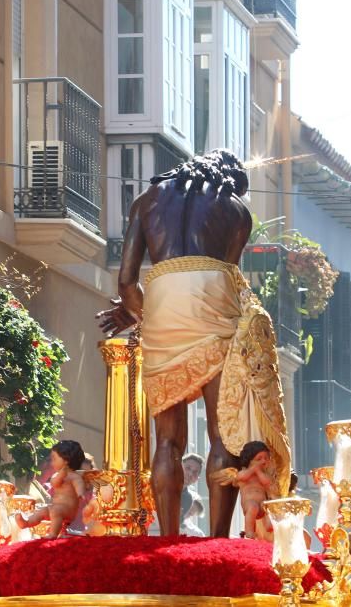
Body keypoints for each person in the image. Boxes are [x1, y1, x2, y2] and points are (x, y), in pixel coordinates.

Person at [96, 149, 292, 538]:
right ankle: (217, 539)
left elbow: (126, 283)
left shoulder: (146, 201)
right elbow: (232, 280)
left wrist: (143, 314)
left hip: (164, 304)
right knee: (222, 435)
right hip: (213, 301)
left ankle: (168, 538)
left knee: (168, 438)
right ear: (232, 181)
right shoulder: (237, 211)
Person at [15, 439, 86, 539]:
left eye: (54, 459)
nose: (52, 463)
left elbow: (79, 484)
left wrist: (80, 493)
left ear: (66, 461)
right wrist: (61, 475)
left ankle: (53, 534)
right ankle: (26, 523)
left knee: (56, 511)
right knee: (42, 510)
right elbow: (55, 483)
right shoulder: (57, 475)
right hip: (55, 507)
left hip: (68, 509)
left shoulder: (74, 477)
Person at [179, 453, 204, 524]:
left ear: (197, 479)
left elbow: (177, 524)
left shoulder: (188, 499)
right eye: (187, 468)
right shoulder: (162, 486)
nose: (190, 474)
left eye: (195, 472)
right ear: (179, 466)